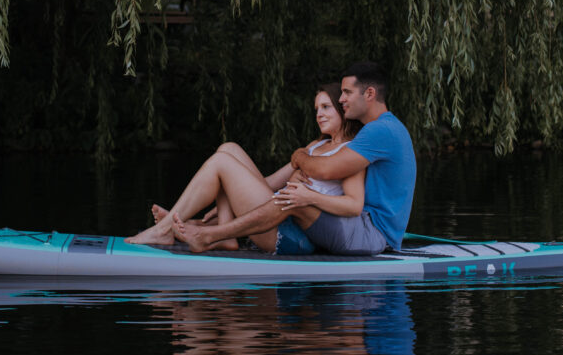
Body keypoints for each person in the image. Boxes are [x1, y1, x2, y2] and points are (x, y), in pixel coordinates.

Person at [173, 62, 416, 257]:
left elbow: (328, 171)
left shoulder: (379, 131)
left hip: (371, 232)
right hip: (363, 225)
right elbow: (292, 178)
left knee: (295, 200)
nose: (342, 100)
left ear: (370, 93)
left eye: (347, 93)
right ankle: (194, 228)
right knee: (231, 152)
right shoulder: (378, 130)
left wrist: (300, 156)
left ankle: (211, 235)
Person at [126, 83, 364, 252]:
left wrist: (309, 196)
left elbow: (353, 203)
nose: (319, 115)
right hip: (273, 212)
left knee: (222, 163)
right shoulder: (315, 146)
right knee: (228, 149)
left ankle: (168, 229)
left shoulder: (350, 153)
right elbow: (271, 182)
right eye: (316, 109)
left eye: (325, 107)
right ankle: (215, 230)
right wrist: (230, 194)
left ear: (342, 110)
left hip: (290, 232)